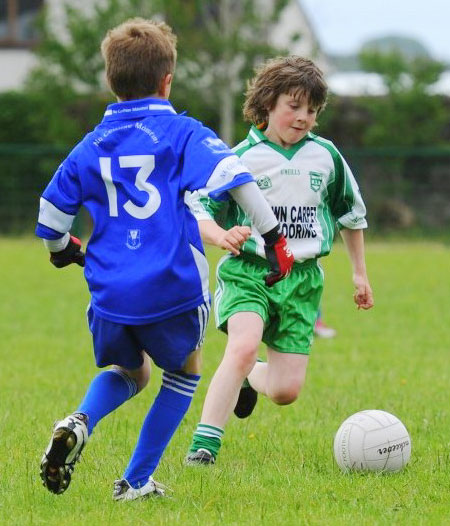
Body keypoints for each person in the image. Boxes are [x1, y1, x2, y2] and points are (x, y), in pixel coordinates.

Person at [36, 19, 293, 501]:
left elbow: (51, 218)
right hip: (170, 285)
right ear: (167, 80)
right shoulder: (181, 132)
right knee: (183, 372)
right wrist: (275, 238)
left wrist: (64, 252)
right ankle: (134, 482)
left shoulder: (91, 145)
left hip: (110, 291)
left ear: (111, 80)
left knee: (130, 373)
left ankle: (79, 419)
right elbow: (235, 176)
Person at [186, 56, 374, 465]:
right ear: (268, 103)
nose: (304, 117)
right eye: (294, 105)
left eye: (312, 109)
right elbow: (197, 208)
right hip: (249, 273)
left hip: (303, 280)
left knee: (286, 391)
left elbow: (350, 213)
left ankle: (251, 378)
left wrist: (359, 273)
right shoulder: (238, 160)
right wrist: (222, 236)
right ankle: (203, 447)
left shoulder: (326, 157)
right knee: (242, 347)